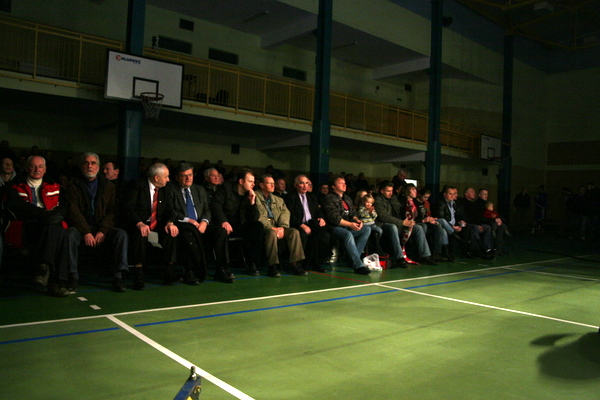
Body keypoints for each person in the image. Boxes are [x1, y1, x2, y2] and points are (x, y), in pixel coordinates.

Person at [64, 152, 129, 292]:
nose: (90, 166)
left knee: (121, 235)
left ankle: (119, 277)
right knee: (69, 235)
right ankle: (72, 275)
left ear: (98, 167)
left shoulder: (108, 186)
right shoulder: (73, 185)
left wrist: (103, 230)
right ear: (81, 166)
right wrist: (86, 232)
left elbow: (113, 211)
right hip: (81, 228)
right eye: (86, 163)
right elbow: (73, 211)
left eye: (93, 163)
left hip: (101, 228)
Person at [6, 155, 70, 296]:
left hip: (50, 225)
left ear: (45, 169)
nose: (37, 169)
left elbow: (64, 207)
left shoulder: (55, 185)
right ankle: (58, 283)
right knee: (59, 233)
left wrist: (55, 216)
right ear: (27, 168)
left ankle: (44, 267)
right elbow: (16, 206)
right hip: (28, 226)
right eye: (33, 166)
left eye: (40, 166)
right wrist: (42, 214)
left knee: (59, 231)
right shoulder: (15, 185)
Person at [169, 163, 234, 284]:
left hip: (200, 223)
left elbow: (206, 209)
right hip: (183, 223)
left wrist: (204, 221)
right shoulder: (171, 190)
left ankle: (221, 269)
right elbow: (171, 210)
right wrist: (189, 220)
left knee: (221, 231)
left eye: (190, 175)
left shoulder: (199, 189)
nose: (188, 178)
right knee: (189, 234)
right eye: (184, 176)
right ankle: (190, 271)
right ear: (177, 177)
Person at [125, 163, 179, 289]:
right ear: (156, 177)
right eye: (166, 177)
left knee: (171, 233)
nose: (168, 179)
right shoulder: (137, 186)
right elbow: (128, 208)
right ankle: (138, 275)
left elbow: (170, 209)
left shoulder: (166, 188)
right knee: (140, 235)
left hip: (157, 224)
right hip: (139, 223)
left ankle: (168, 272)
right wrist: (139, 223)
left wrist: (170, 222)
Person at [210, 168, 264, 276]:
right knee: (222, 231)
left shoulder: (249, 194)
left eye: (253, 181)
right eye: (250, 181)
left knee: (257, 226)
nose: (253, 184)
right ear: (241, 181)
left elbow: (254, 218)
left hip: (240, 226)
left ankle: (251, 263)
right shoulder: (225, 188)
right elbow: (215, 205)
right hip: (225, 224)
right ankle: (224, 267)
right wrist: (223, 221)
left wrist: (252, 203)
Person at [255, 174, 306, 277]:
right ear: (261, 185)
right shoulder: (255, 197)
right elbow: (258, 215)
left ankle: (294, 264)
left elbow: (285, 213)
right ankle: (272, 265)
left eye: (273, 183)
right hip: (264, 227)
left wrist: (282, 227)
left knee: (294, 232)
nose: (272, 185)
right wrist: (272, 228)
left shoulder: (278, 199)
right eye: (269, 183)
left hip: (279, 227)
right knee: (271, 233)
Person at [322, 175, 371, 275]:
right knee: (347, 234)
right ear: (333, 186)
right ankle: (358, 265)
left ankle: (354, 260)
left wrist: (357, 220)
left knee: (366, 229)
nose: (344, 185)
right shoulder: (329, 198)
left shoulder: (347, 198)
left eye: (344, 183)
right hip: (334, 227)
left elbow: (353, 213)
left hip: (348, 225)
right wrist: (350, 224)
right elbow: (334, 218)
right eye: (340, 183)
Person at [284, 174, 331, 272]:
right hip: (297, 224)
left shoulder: (312, 196)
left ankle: (314, 262)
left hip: (311, 223)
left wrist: (321, 218)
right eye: (301, 183)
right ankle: (310, 262)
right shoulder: (290, 197)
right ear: (295, 185)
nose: (305, 186)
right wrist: (302, 226)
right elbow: (290, 215)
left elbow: (318, 211)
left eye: (306, 183)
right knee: (306, 235)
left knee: (324, 233)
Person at [414, 187, 450, 262]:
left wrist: (431, 219)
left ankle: (436, 253)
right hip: (418, 222)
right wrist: (423, 220)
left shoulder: (426, 203)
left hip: (426, 222)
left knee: (438, 226)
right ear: (420, 195)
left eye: (428, 197)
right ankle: (422, 254)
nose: (426, 199)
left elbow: (428, 214)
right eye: (425, 197)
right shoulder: (414, 203)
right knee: (423, 227)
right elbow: (413, 218)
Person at [458, 187, 495, 259]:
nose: (474, 193)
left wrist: (479, 224)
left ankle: (488, 248)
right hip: (467, 223)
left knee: (487, 228)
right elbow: (466, 216)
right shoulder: (463, 203)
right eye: (471, 192)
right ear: (466, 194)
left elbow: (477, 217)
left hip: (474, 223)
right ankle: (479, 250)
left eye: (474, 192)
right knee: (475, 228)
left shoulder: (473, 204)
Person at [477, 188, 509, 254]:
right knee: (491, 228)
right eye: (484, 194)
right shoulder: (478, 205)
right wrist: (494, 220)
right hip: (485, 222)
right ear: (479, 195)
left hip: (490, 221)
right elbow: (481, 218)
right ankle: (488, 248)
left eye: (487, 194)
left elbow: (494, 214)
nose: (486, 196)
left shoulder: (488, 204)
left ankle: (498, 248)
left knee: (501, 227)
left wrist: (499, 219)